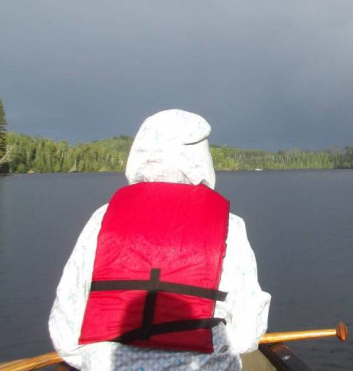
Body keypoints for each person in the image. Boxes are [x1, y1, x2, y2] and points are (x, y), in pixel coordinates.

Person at [49, 109, 271, 371]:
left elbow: (66, 329)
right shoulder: (229, 225)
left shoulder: (103, 218)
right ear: (201, 158)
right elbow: (246, 334)